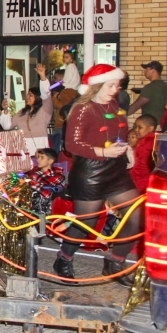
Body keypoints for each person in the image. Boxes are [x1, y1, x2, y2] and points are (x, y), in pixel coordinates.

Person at [53, 64, 143, 286]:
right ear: (96, 86)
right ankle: (63, 259)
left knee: (137, 215)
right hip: (91, 172)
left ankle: (115, 263)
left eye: (117, 85)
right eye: (110, 85)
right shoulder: (83, 108)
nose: (115, 89)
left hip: (116, 171)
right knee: (87, 223)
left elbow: (120, 132)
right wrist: (103, 151)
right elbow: (71, 145)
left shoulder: (115, 104)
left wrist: (127, 148)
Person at [0, 63, 53, 155]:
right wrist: (5, 110)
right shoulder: (22, 112)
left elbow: (46, 94)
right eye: (27, 94)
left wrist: (42, 77)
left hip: (40, 152)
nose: (27, 97)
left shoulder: (45, 109)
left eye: (31, 95)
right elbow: (7, 126)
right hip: (23, 151)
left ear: (38, 97)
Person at [27, 148, 66, 216]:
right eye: (38, 157)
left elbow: (51, 189)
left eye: (42, 157)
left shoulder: (59, 175)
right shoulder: (35, 174)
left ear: (50, 161)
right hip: (34, 210)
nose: (38, 160)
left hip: (51, 212)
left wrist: (34, 184)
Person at [129, 114, 157, 194]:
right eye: (135, 127)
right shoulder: (147, 140)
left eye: (140, 127)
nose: (136, 130)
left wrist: (129, 177)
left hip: (142, 182)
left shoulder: (148, 143)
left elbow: (142, 167)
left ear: (150, 128)